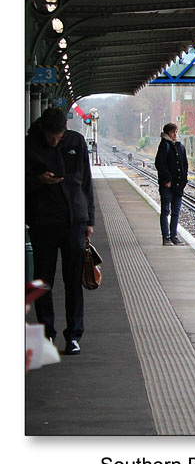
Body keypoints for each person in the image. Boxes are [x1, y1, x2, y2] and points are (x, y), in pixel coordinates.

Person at [25, 107, 95, 355]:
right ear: (42, 130)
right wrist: (39, 180)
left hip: (74, 221)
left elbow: (86, 181)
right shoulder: (29, 145)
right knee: (43, 282)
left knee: (73, 281)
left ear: (65, 131)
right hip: (43, 223)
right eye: (50, 138)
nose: (54, 142)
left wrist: (89, 220)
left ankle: (74, 335)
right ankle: (47, 334)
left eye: (58, 137)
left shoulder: (76, 141)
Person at [155, 122, 189, 246]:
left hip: (178, 185)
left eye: (176, 132)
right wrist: (167, 179)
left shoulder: (180, 146)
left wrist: (184, 181)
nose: (175, 134)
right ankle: (166, 237)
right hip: (167, 186)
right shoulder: (165, 145)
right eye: (173, 132)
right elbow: (160, 163)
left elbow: (184, 165)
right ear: (167, 133)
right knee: (165, 211)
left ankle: (174, 236)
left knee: (176, 211)